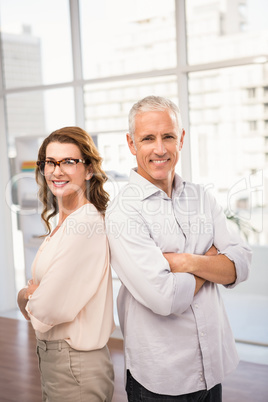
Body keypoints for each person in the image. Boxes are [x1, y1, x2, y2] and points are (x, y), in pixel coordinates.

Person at [105, 96, 252, 401]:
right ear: (132, 144)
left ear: (181, 139)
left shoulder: (201, 197)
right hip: (161, 379)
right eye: (148, 138)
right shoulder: (124, 212)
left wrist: (185, 262)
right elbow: (166, 298)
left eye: (168, 136)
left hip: (212, 370)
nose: (160, 149)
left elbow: (241, 264)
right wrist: (211, 261)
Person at [17, 126, 115, 402]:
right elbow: (40, 305)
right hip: (58, 362)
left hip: (76, 366)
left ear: (89, 169)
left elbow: (45, 308)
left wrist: (25, 295)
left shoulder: (84, 225)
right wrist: (33, 297)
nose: (57, 171)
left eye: (69, 162)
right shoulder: (65, 223)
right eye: (50, 162)